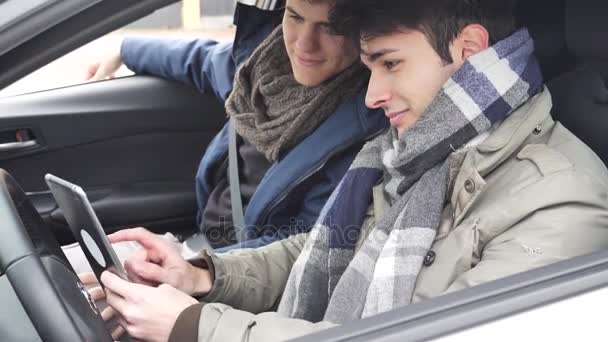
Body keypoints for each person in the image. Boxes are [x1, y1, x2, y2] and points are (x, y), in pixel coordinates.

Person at [96, 0, 608, 341]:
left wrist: (196, 326)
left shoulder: (559, 200)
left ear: (467, 50)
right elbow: (330, 244)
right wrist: (206, 276)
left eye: (390, 64)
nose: (371, 95)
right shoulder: (425, 147)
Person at [63, 0, 388, 277]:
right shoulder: (262, 68)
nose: (304, 43)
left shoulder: (364, 128)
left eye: (330, 28)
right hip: (201, 244)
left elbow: (297, 250)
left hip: (241, 274)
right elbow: (200, 60)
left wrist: (193, 271)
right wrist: (125, 49)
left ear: (363, 34)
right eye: (295, 16)